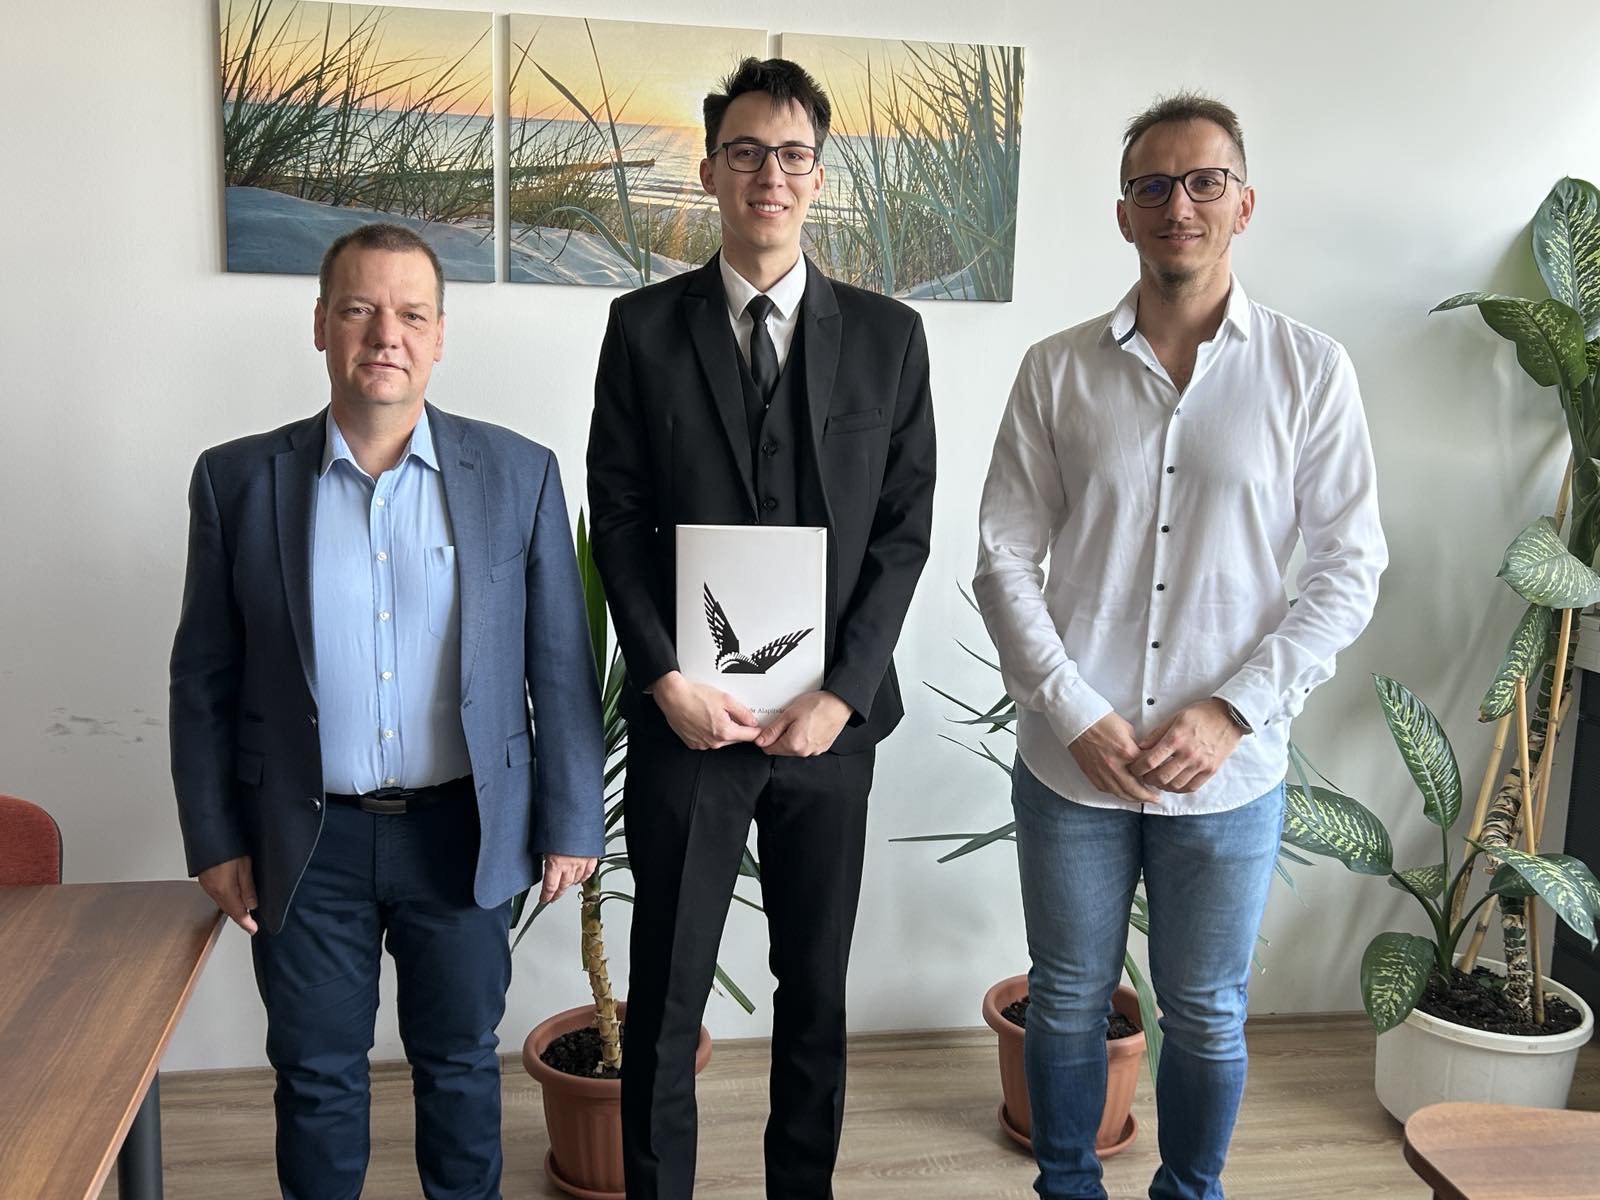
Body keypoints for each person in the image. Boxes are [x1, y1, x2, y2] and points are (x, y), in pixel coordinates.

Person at [973, 93, 1386, 1200]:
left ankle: (1189, 1193)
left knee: (1205, 1011)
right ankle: (1067, 1186)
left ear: (1243, 204)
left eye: (1205, 181)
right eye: (1152, 185)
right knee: (1067, 997)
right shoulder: (1056, 370)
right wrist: (1072, 710)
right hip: (1075, 766)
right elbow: (1002, 558)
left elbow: (1349, 570)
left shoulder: (1310, 371)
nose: (1179, 204)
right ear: (1123, 214)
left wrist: (1234, 709)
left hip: (1228, 773)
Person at [169, 222, 604, 1200]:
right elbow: (202, 677)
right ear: (321, 323)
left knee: (459, 1064)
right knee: (316, 1077)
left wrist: (574, 819)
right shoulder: (237, 481)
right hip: (304, 840)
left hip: (464, 831)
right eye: (360, 310)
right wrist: (214, 838)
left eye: (410, 314)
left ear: (440, 335)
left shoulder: (519, 473)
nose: (385, 335)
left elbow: (560, 664)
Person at [586, 56, 937, 1200]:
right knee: (665, 992)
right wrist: (660, 678)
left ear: (818, 176)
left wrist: (841, 693)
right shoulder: (641, 329)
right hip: (689, 721)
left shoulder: (888, 337)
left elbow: (903, 533)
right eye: (745, 153)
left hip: (828, 729)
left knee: (815, 994)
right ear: (709, 172)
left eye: (791, 156)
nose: (768, 176)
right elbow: (618, 517)